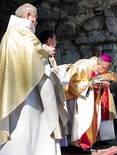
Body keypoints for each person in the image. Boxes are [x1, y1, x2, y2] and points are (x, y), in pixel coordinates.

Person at [0, 3, 67, 155]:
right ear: (28, 16)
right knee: (33, 130)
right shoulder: (23, 32)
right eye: (35, 18)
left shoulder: (9, 34)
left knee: (19, 129)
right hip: (29, 91)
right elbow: (35, 60)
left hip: (14, 90)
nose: (36, 22)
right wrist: (45, 51)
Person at [65, 54, 117, 153]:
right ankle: (77, 144)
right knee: (81, 123)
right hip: (77, 99)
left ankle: (87, 144)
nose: (105, 71)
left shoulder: (97, 68)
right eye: (105, 68)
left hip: (90, 99)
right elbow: (72, 83)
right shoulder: (83, 65)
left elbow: (92, 80)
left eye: (107, 69)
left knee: (91, 121)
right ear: (98, 63)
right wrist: (90, 84)